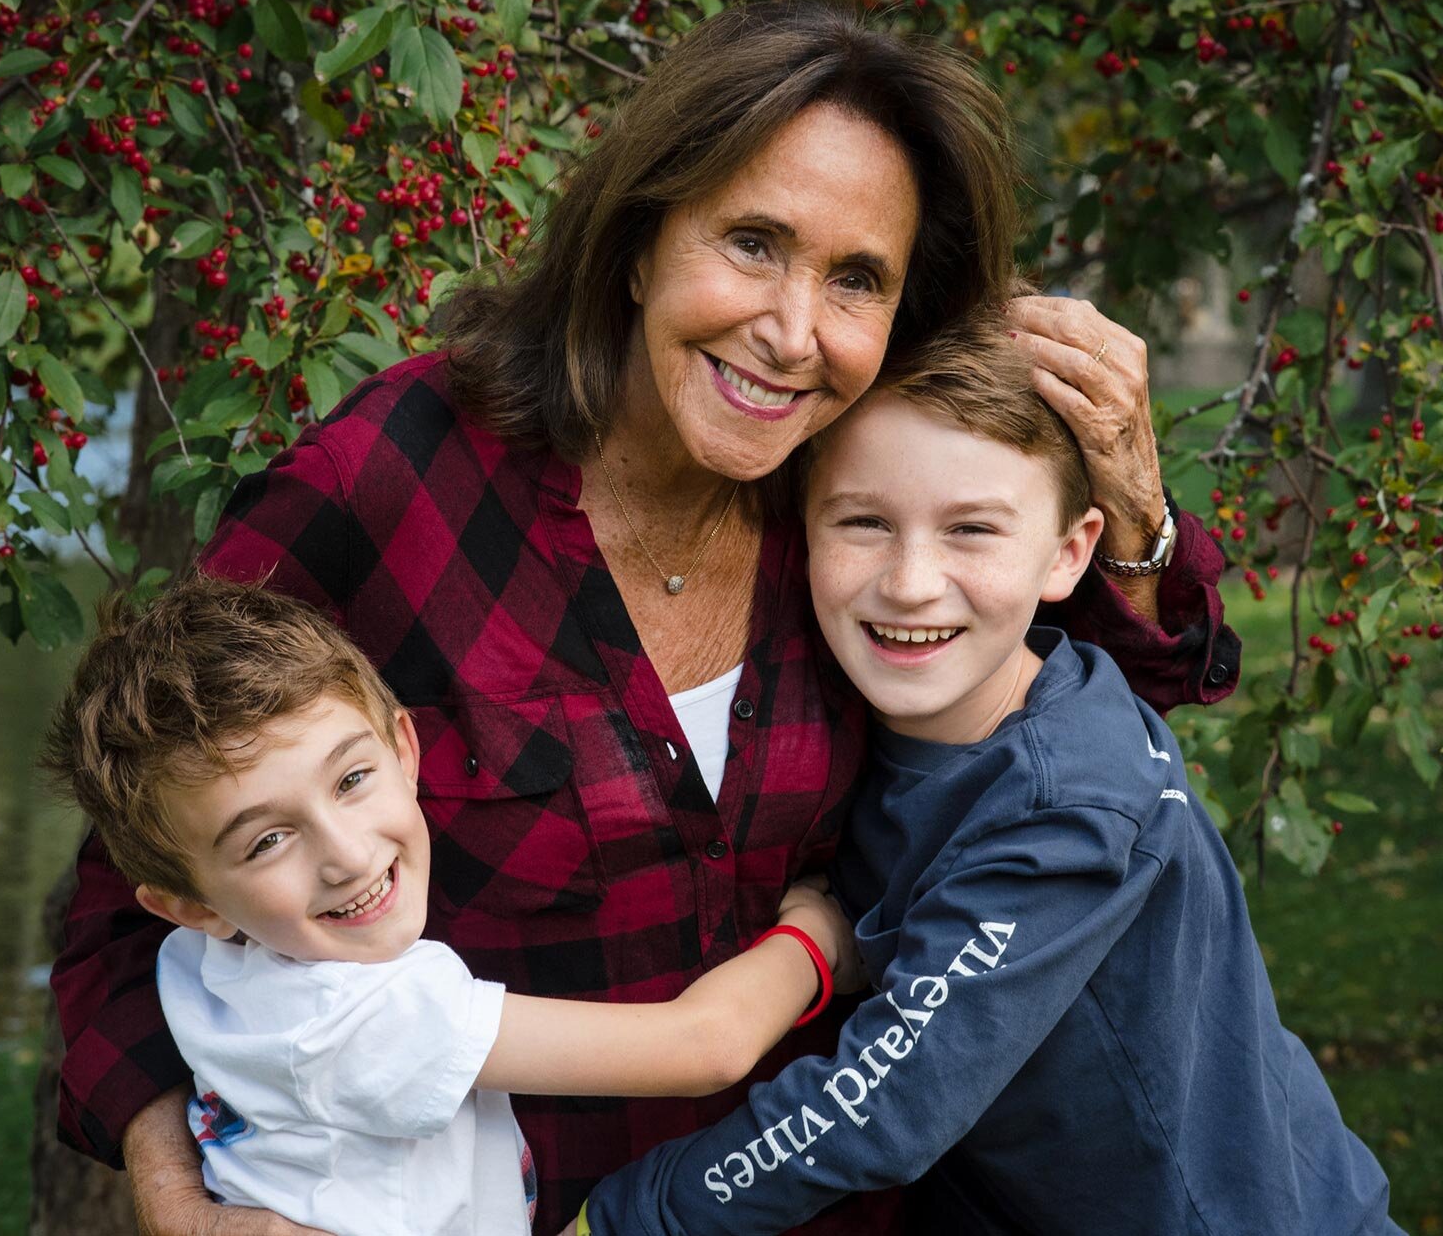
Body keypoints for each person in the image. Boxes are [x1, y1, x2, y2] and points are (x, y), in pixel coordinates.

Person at [51, 0, 1243, 1236]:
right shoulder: (388, 483)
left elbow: (1075, 731)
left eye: (855, 280)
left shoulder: (860, 503)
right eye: (751, 242)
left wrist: (1131, 508)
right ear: (635, 240)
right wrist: (176, 1194)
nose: (791, 333)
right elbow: (132, 869)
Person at [571, 317, 1399, 1236]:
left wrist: (631, 1215)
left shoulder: (1066, 802)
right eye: (864, 522)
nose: (912, 581)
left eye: (971, 529)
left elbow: (882, 1104)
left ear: (1068, 553)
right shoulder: (906, 721)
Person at [42, 574, 862, 1236]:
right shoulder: (373, 1014)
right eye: (267, 841)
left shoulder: (200, 964)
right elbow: (705, 1045)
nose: (349, 853)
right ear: (186, 902)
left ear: (404, 746)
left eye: (351, 778)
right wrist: (819, 937)